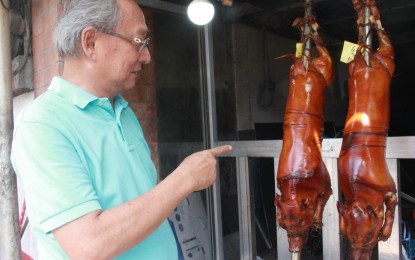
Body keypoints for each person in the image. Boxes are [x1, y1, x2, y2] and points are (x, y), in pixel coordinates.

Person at [10, 0, 232, 259]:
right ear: (91, 43)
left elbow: (143, 203)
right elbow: (88, 244)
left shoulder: (122, 111)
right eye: (139, 42)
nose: (147, 56)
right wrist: (184, 179)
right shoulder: (43, 125)